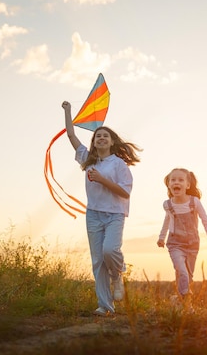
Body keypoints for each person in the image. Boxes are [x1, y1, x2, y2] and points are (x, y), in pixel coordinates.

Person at [61, 100, 142, 317]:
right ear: (94, 142)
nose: (101, 138)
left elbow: (125, 192)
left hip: (115, 214)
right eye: (98, 136)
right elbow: (71, 136)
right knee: (98, 261)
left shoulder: (118, 164)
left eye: (105, 135)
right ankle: (105, 306)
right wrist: (68, 111)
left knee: (109, 251)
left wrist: (102, 179)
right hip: (94, 214)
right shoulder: (88, 160)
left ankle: (118, 274)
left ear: (112, 141)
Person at [157, 168, 207, 307]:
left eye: (180, 180)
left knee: (187, 276)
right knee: (181, 270)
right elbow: (167, 221)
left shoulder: (194, 202)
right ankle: (187, 303)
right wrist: (161, 237)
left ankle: (178, 301)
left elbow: (205, 220)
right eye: (173, 180)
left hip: (192, 244)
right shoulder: (168, 204)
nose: (176, 182)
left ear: (187, 185)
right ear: (169, 185)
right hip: (175, 243)